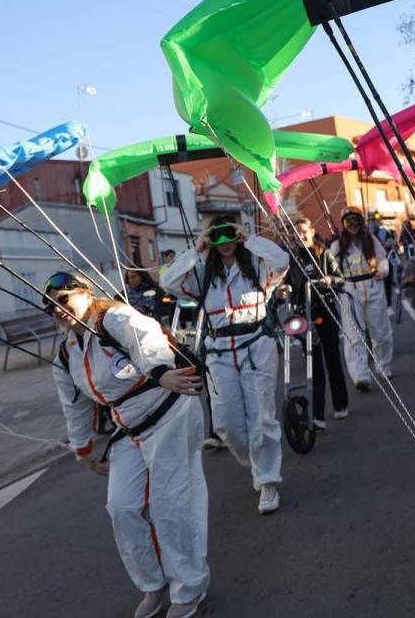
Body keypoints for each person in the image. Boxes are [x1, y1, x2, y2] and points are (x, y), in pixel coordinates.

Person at [44, 271, 209, 618]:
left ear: (86, 294)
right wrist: (83, 448)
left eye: (64, 300)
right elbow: (73, 404)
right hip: (128, 430)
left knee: (171, 504)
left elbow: (147, 338)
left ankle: (189, 588)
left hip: (169, 412)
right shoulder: (65, 353)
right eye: (51, 306)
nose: (59, 310)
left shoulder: (113, 317)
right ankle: (152, 585)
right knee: (121, 507)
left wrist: (161, 371)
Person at [161, 218, 290, 514]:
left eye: (229, 235)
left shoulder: (257, 268)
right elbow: (168, 281)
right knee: (225, 424)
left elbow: (282, 260)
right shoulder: (204, 275)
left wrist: (250, 238)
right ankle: (258, 462)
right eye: (218, 237)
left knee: (262, 418)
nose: (225, 241)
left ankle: (267, 480)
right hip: (218, 352)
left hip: (257, 345)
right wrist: (198, 248)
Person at [286, 217, 351, 426]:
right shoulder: (291, 259)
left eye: (304, 231)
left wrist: (330, 280)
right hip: (304, 314)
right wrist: (283, 291)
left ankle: (341, 405)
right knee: (313, 364)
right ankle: (317, 415)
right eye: (297, 234)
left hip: (326, 309)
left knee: (332, 358)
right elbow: (286, 284)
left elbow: (341, 278)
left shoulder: (324, 253)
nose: (301, 236)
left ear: (312, 231)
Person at [332, 206, 395, 389]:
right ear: (343, 224)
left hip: (373, 286)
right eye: (348, 221)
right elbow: (330, 268)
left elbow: (383, 260)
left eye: (356, 220)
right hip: (350, 291)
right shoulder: (337, 246)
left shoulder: (371, 240)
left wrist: (381, 270)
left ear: (361, 222)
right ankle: (361, 376)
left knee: (381, 331)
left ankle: (383, 365)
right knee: (353, 334)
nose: (353, 225)